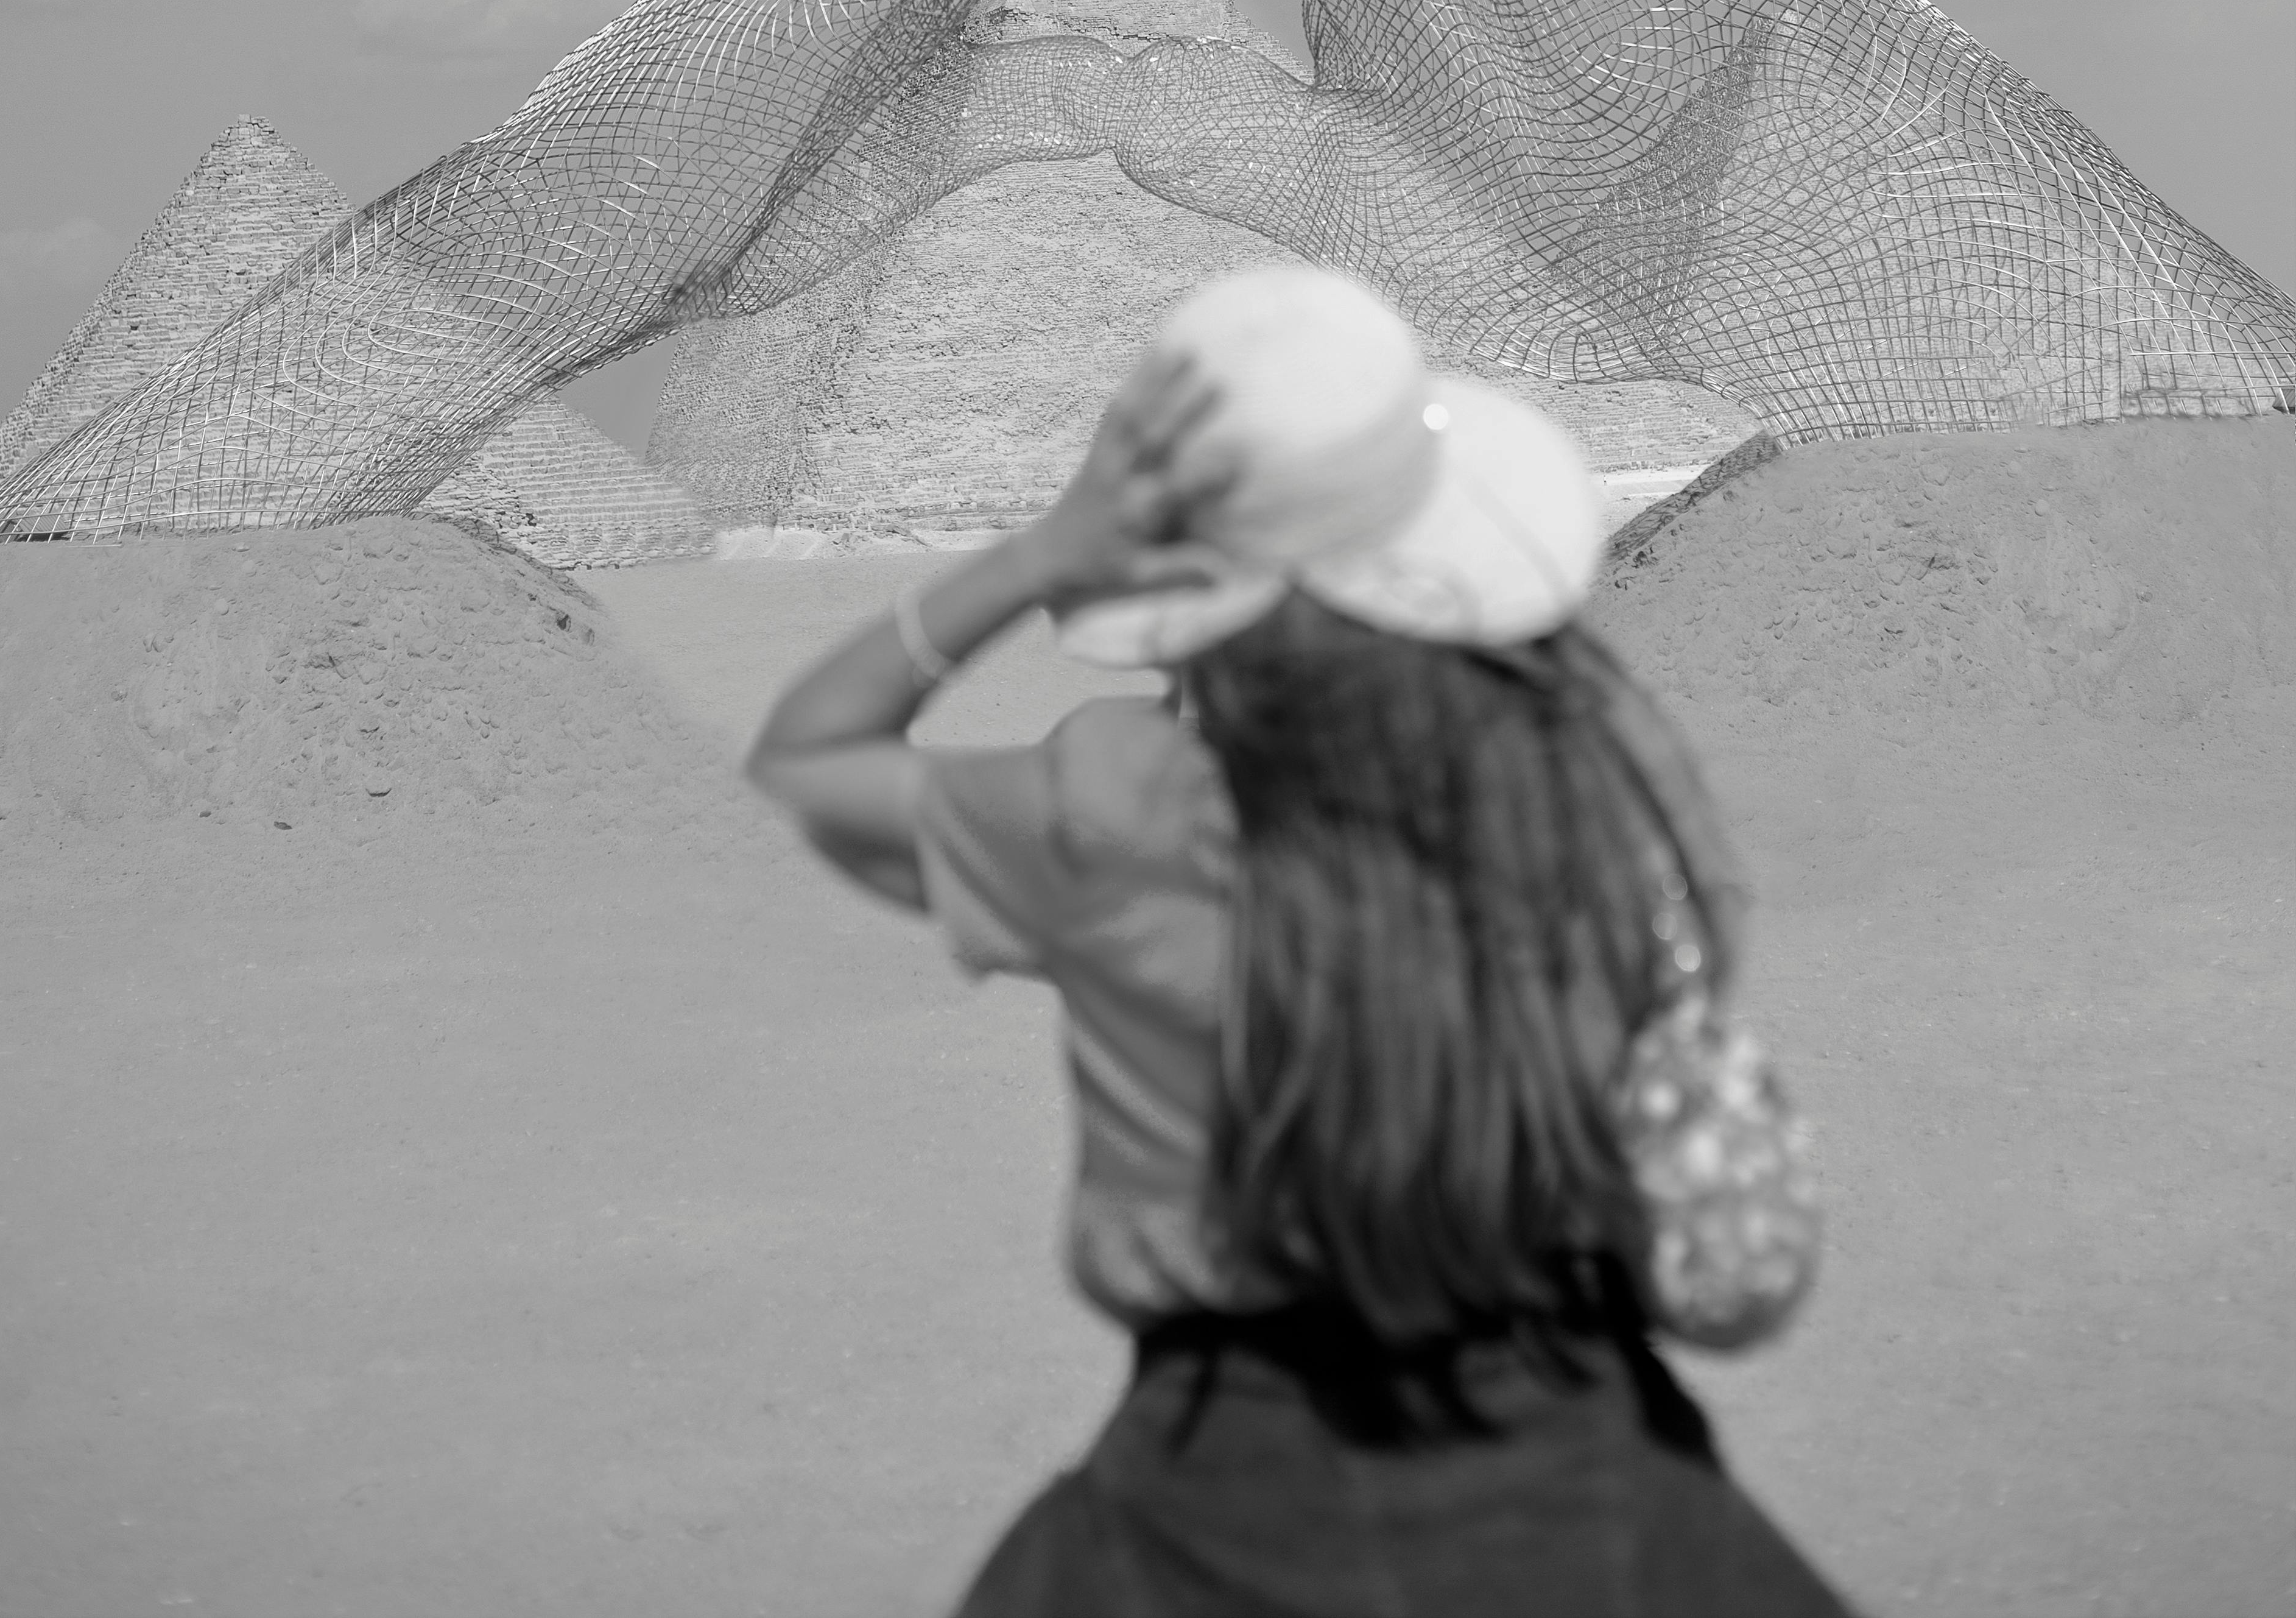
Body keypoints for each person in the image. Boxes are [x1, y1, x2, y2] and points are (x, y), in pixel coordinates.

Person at [747, 265, 1853, 1614]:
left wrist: (1041, 558)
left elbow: (809, 759)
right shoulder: (1589, 798)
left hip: (1219, 1485)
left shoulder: (1115, 807)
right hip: (1576, 1464)